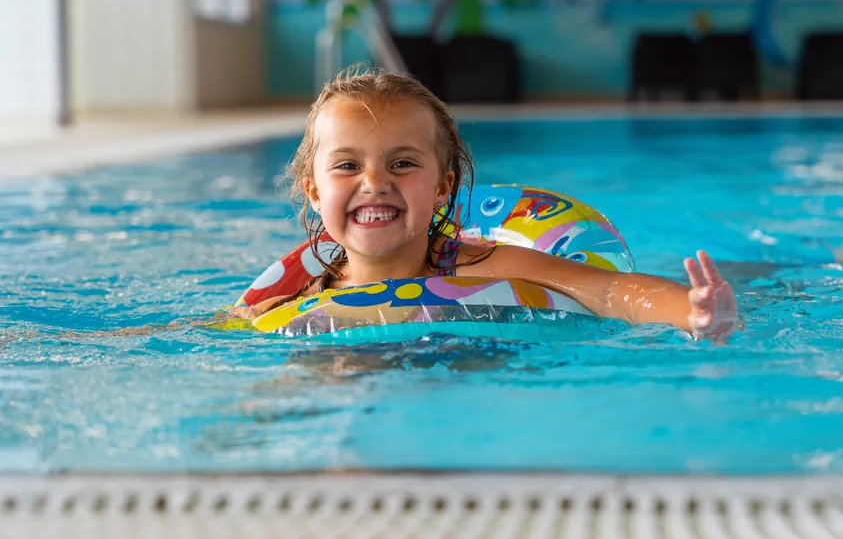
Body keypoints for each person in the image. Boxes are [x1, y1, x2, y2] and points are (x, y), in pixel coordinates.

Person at [236, 65, 739, 340]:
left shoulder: (482, 265)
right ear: (314, 191)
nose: (375, 183)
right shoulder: (295, 295)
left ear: (443, 190)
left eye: (403, 164)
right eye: (348, 166)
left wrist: (690, 312)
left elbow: (607, 291)